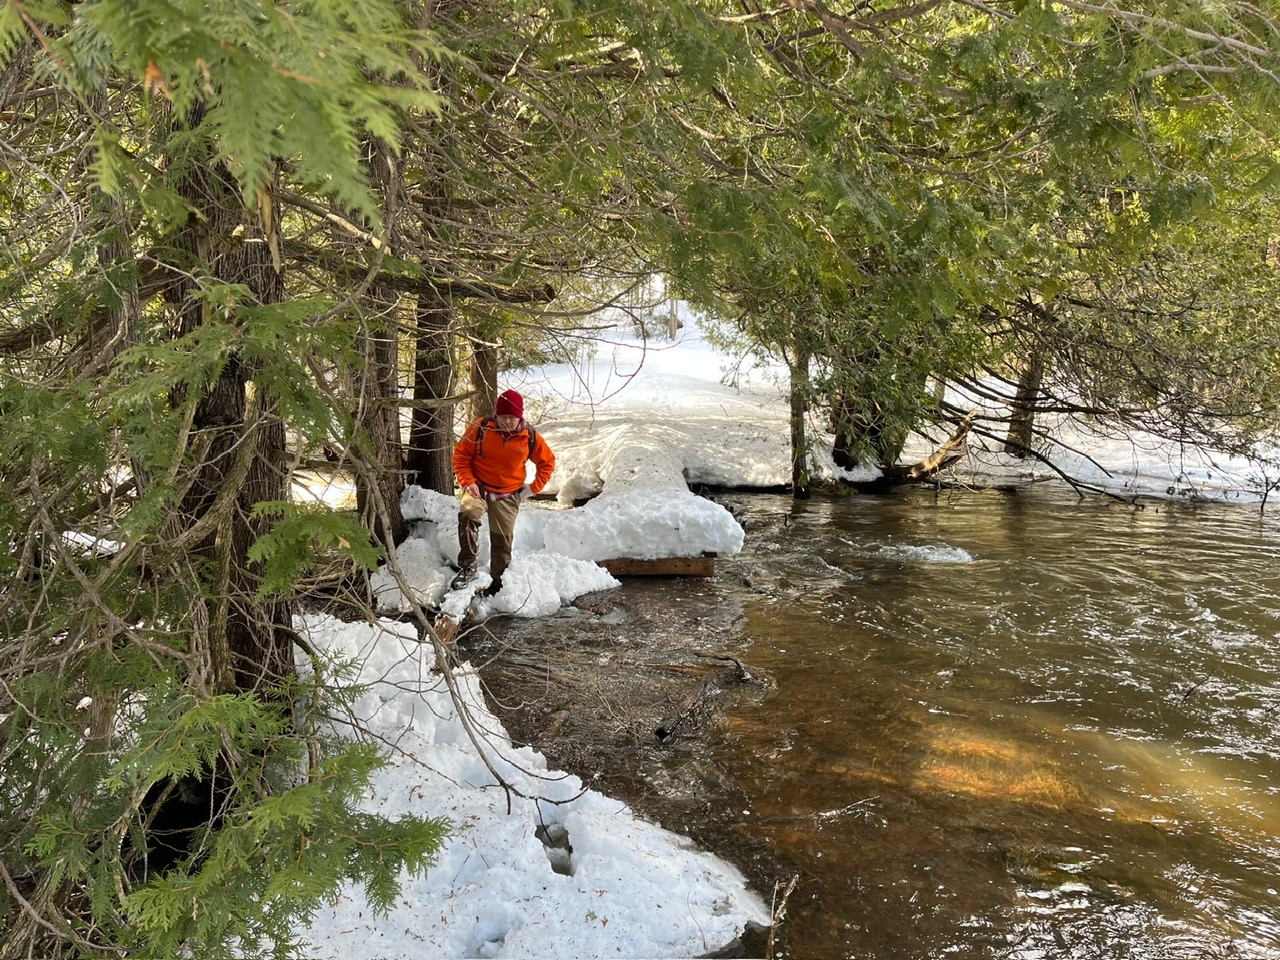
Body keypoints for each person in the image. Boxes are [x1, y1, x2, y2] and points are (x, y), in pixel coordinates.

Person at [450, 389, 556, 596]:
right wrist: (468, 481)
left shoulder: (529, 436)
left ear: (520, 417)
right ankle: (468, 568)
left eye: (512, 418)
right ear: (496, 415)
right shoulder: (481, 428)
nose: (507, 422)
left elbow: (548, 462)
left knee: (502, 540)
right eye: (503, 416)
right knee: (468, 515)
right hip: (478, 487)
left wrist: (533, 487)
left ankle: (498, 582)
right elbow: (461, 455)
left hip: (508, 493)